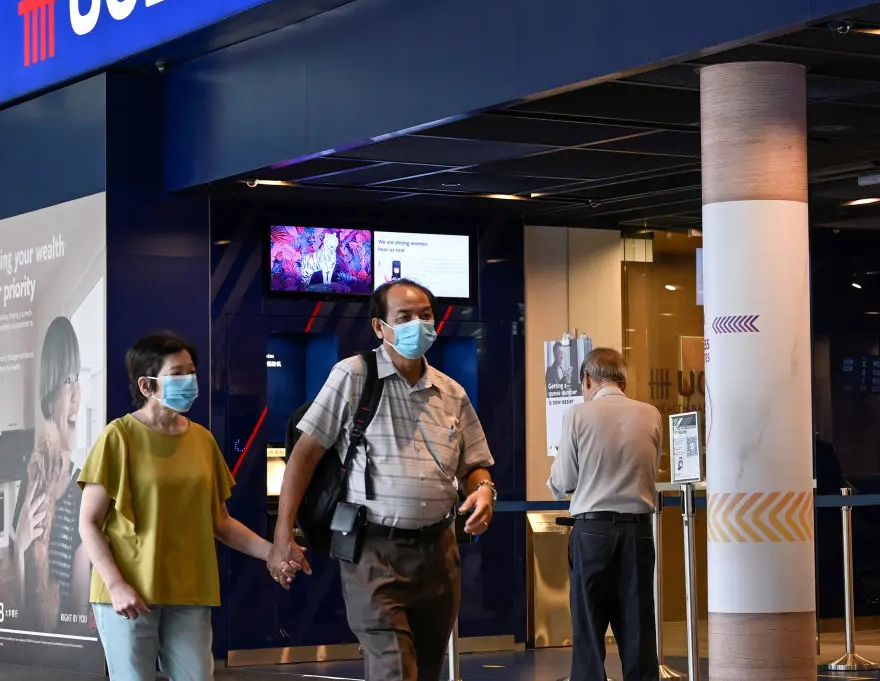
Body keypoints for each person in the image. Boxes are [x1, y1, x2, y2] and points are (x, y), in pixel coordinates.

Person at [269, 279, 497, 681]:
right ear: (379, 327)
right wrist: (283, 535)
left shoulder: (451, 392)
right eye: (404, 317)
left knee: (426, 669)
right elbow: (304, 455)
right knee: (394, 669)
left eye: (425, 315)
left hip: (439, 553)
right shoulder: (354, 376)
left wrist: (483, 490)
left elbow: (474, 464)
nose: (418, 325)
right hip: (374, 552)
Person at [77, 332, 304, 681]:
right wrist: (115, 584)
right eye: (177, 373)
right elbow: (89, 524)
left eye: (191, 372)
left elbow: (222, 522)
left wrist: (273, 552)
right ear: (146, 384)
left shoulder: (202, 439)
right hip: (129, 591)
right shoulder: (118, 436)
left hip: (190, 590)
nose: (189, 381)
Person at [548, 348, 662, 681]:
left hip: (592, 533)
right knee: (638, 631)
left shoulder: (578, 415)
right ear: (623, 381)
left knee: (588, 630)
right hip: (638, 533)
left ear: (586, 378)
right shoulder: (650, 414)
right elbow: (650, 472)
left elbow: (564, 481)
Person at [10, 317, 90, 631]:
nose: (77, 394)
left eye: (78, 378)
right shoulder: (31, 484)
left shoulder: (83, 490)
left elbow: (79, 617)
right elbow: (17, 609)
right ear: (50, 390)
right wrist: (19, 547)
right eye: (66, 380)